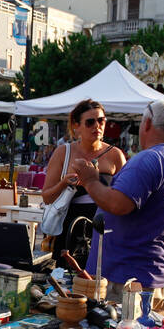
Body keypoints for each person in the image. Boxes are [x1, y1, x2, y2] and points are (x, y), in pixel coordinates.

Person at [77, 98, 164, 313]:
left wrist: (90, 180)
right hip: (159, 273)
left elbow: (118, 204)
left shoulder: (149, 159)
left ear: (148, 124)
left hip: (129, 279)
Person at [41, 99, 126, 261]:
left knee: (100, 280)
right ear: (76, 126)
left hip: (104, 227)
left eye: (101, 120)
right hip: (70, 227)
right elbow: (46, 196)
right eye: (90, 122)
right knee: (67, 278)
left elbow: (124, 196)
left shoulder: (115, 155)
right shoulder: (63, 153)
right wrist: (64, 183)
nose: (97, 126)